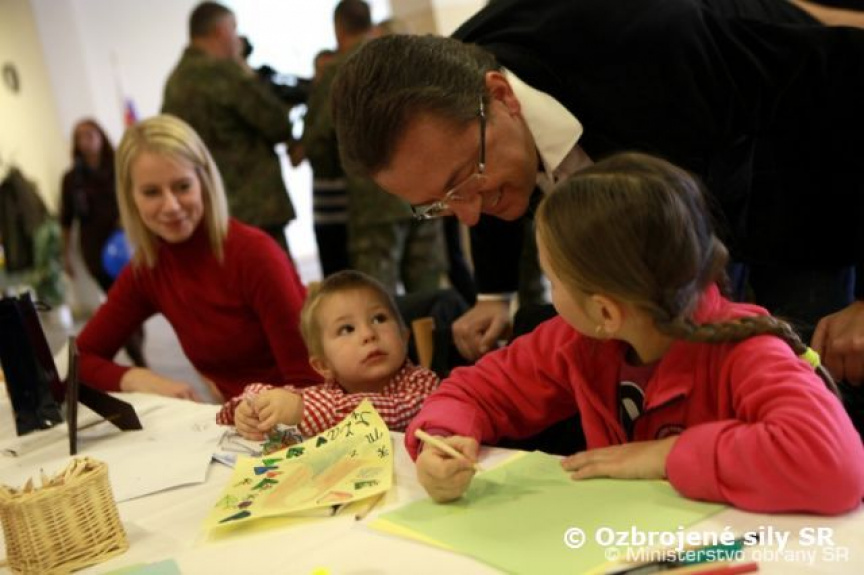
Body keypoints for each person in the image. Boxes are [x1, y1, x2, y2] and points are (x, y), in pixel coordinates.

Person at [330, 0, 864, 430]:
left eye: (465, 180)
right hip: (688, 210)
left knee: (819, 389)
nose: (467, 219)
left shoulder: (646, 39)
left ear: (502, 95)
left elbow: (845, 75)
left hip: (798, 182)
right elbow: (477, 181)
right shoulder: (458, 99)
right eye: (438, 205)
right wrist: (495, 292)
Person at [406, 153, 864, 514]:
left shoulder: (746, 352)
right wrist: (444, 438)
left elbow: (836, 467)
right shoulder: (578, 340)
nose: (551, 293)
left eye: (553, 280)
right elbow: (477, 390)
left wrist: (667, 455)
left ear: (605, 310)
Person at [77, 115, 320, 403]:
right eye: (151, 192)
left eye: (182, 186)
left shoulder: (254, 255)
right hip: (240, 419)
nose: (171, 206)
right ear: (131, 198)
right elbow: (78, 360)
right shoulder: (149, 267)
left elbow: (311, 384)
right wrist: (138, 378)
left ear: (204, 183)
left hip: (304, 417)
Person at [303, 0, 445, 293]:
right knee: (430, 293)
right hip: (428, 190)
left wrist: (338, 170)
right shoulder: (406, 59)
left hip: (374, 203)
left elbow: (318, 142)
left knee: (379, 297)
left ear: (338, 28)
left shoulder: (339, 70)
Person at [217, 270, 439, 438]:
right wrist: (249, 409)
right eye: (347, 329)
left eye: (378, 319)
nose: (368, 334)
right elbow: (288, 395)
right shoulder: (330, 392)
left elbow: (394, 411)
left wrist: (302, 410)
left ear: (404, 336)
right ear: (323, 366)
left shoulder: (423, 385)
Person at [161, 1, 297, 254]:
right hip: (256, 207)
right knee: (274, 275)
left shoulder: (175, 82)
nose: (237, 39)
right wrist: (248, 73)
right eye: (234, 29)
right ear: (221, 31)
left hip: (211, 210)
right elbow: (278, 124)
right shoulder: (225, 72)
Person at [60, 119, 146, 367]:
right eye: (80, 137)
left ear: (101, 136)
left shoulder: (121, 167)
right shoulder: (71, 179)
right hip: (95, 251)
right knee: (119, 305)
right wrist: (66, 256)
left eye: (90, 134)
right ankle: (139, 359)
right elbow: (66, 220)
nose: (86, 140)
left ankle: (138, 346)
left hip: (127, 244)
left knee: (138, 303)